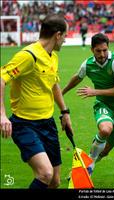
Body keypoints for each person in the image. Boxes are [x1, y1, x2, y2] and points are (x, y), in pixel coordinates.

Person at [0, 14, 72, 189]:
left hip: (48, 123)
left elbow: (53, 84)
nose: (65, 40)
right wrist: (2, 115)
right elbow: (1, 79)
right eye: (65, 36)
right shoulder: (28, 55)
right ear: (58, 35)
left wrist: (64, 112)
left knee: (54, 181)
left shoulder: (52, 56)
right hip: (24, 124)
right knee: (44, 173)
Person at [62, 33, 114, 173]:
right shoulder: (88, 64)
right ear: (92, 50)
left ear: (108, 48)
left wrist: (95, 92)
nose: (102, 54)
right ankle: (87, 168)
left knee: (104, 151)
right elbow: (77, 77)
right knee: (105, 129)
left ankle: (88, 165)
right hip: (103, 105)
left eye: (105, 50)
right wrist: (61, 93)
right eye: (98, 51)